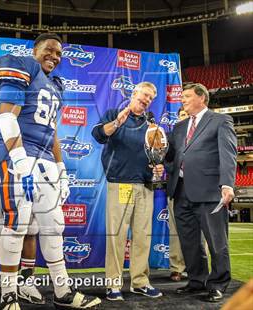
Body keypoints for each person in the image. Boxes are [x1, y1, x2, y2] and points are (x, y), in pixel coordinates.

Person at [0, 33, 101, 310]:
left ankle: (62, 291)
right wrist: (18, 158)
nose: (54, 56)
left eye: (59, 53)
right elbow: (6, 115)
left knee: (54, 227)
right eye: (49, 50)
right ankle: (8, 294)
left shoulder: (55, 84)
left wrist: (61, 167)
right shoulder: (22, 65)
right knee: (16, 226)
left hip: (45, 162)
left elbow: (51, 130)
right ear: (35, 50)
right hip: (18, 155)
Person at [91, 81, 163, 301]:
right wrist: (117, 122)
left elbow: (158, 153)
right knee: (117, 236)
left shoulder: (152, 125)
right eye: (145, 95)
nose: (147, 100)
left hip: (145, 185)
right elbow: (98, 134)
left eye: (151, 98)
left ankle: (140, 282)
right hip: (120, 183)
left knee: (142, 237)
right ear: (134, 93)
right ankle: (113, 284)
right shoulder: (114, 113)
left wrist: (158, 166)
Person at [165, 83, 237, 302]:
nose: (182, 100)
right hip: (181, 191)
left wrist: (227, 184)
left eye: (186, 96)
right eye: (182, 97)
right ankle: (196, 281)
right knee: (189, 242)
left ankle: (218, 283)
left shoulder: (220, 120)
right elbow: (172, 159)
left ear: (201, 98)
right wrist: (160, 159)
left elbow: (228, 153)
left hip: (210, 191)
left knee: (216, 241)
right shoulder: (179, 127)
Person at [0, 124, 44, 307]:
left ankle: (25, 281)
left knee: (30, 228)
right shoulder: (7, 99)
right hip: (5, 165)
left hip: (34, 166)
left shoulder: (36, 100)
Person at [167, 105, 188, 282]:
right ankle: (177, 268)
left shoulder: (202, 132)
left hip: (201, 187)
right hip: (177, 186)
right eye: (182, 114)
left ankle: (198, 267)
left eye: (187, 114)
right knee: (175, 231)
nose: (184, 117)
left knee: (201, 232)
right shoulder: (173, 135)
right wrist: (174, 168)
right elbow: (164, 158)